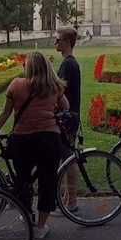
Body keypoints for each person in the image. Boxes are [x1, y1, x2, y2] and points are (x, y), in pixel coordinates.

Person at [0, 51, 69, 240]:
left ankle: (26, 214)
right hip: (48, 139)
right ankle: (40, 227)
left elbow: (5, 112)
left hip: (22, 140)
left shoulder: (16, 84)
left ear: (27, 67)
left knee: (23, 181)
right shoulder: (54, 86)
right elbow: (66, 107)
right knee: (48, 183)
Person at [52, 28, 80, 216]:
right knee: (66, 158)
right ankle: (67, 200)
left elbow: (59, 91)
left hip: (66, 117)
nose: (56, 43)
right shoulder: (69, 63)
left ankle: (71, 203)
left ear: (67, 42)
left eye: (58, 39)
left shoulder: (67, 65)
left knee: (68, 159)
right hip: (70, 115)